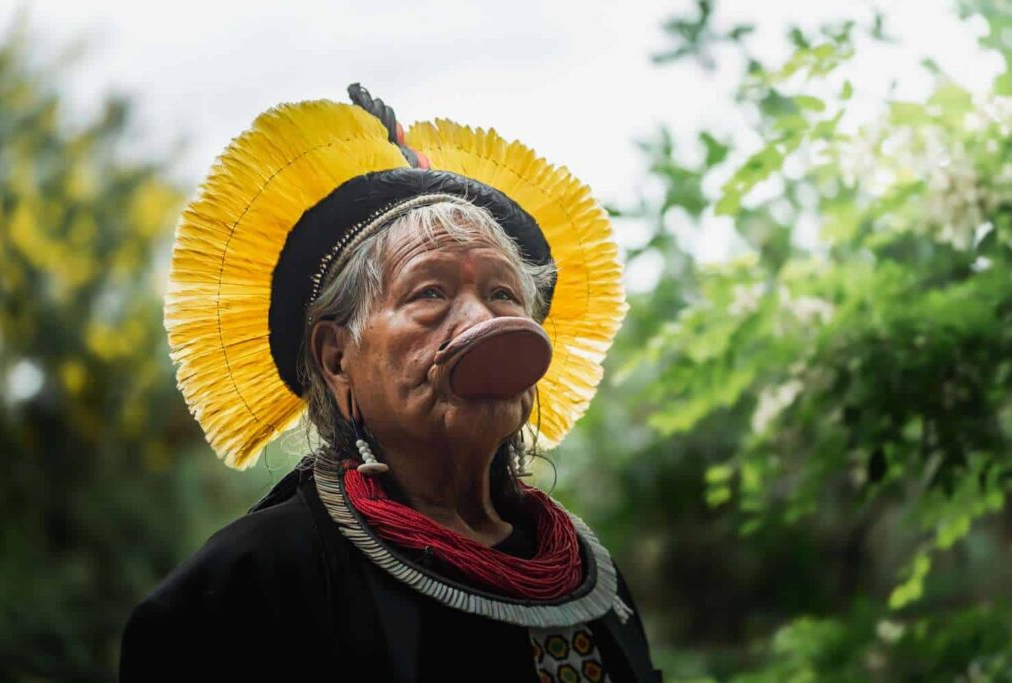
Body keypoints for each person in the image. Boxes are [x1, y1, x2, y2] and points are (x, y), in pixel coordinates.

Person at [119, 84, 661, 682]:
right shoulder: (245, 590)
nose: (484, 322)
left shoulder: (581, 568)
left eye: (503, 294)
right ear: (336, 359)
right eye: (431, 292)